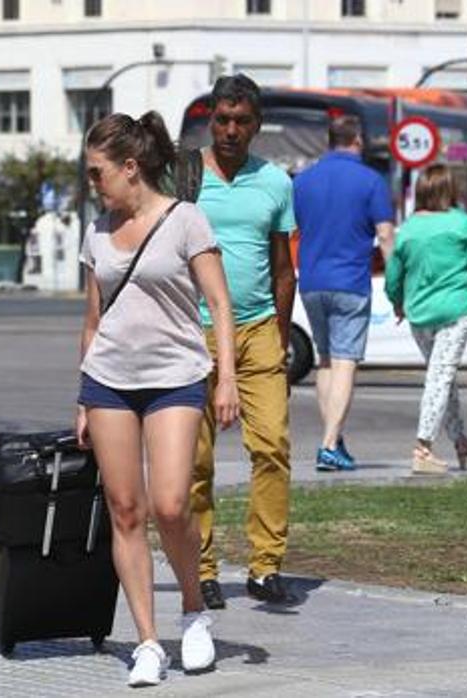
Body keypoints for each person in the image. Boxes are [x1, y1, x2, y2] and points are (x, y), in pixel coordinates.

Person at [76, 111, 239, 688]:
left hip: (175, 376)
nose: (93, 183)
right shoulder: (96, 231)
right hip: (109, 382)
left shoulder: (185, 221)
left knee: (171, 505)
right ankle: (147, 641)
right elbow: (94, 320)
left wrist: (226, 378)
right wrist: (81, 395)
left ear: (130, 166)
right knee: (125, 510)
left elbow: (219, 303)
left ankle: (193, 611)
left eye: (98, 173)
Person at [187, 74, 298, 608]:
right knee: (194, 460)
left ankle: (265, 565)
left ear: (256, 125)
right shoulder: (182, 177)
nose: (231, 130)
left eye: (242, 121)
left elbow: (283, 271)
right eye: (223, 120)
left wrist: (278, 337)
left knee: (272, 446)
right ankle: (201, 567)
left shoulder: (275, 182)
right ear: (212, 119)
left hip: (256, 333)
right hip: (192, 330)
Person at [293, 114, 395, 472]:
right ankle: (328, 445)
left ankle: (333, 439)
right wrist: (396, 282)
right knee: (346, 361)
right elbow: (384, 235)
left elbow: (295, 227)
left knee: (325, 360)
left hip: (311, 281)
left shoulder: (303, 181)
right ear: (359, 141)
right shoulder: (371, 181)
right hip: (350, 282)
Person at [384, 164, 467, 474]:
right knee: (441, 375)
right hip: (454, 312)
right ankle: (423, 447)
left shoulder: (407, 229)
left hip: (418, 314)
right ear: (450, 190)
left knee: (441, 375)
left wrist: (397, 303)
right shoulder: (463, 224)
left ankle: (459, 439)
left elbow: (393, 275)